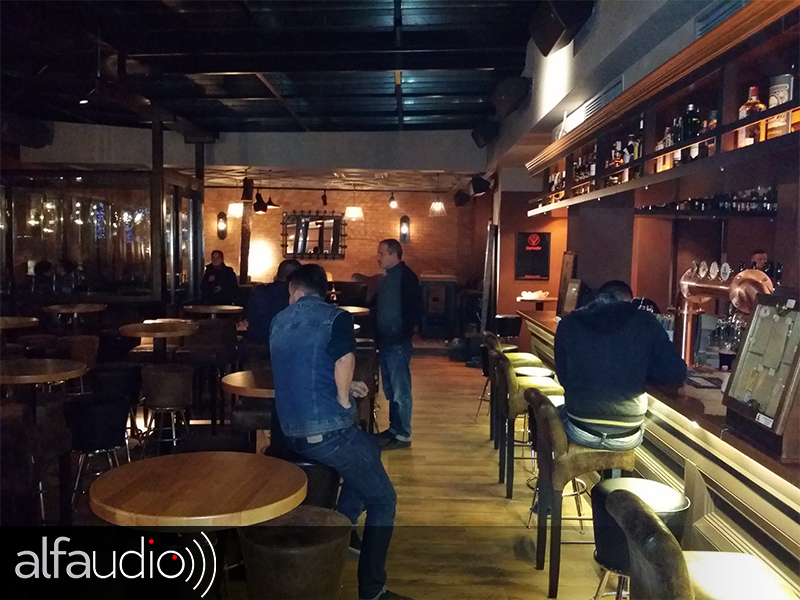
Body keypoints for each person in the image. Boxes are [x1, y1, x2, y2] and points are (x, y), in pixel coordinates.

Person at [269, 264, 412, 600]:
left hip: (287, 431)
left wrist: (347, 386)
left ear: (297, 292)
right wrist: (345, 400)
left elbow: (307, 367)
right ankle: (372, 590)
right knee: (384, 500)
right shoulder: (335, 318)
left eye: (290, 294)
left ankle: (342, 524)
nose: (289, 299)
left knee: (370, 449)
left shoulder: (279, 321)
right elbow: (345, 360)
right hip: (324, 433)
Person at [554, 280, 687, 451]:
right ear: (629, 301)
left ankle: (552, 468)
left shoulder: (569, 322)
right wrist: (640, 367)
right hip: (628, 433)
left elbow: (563, 378)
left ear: (599, 297)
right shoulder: (645, 321)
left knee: (551, 416)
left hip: (580, 428)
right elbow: (676, 372)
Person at [374, 239, 423, 450]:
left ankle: (403, 434)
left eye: (381, 253)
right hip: (387, 340)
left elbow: (414, 308)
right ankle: (394, 429)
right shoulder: (389, 276)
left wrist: (402, 331)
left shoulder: (406, 277)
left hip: (398, 341)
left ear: (394, 254)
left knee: (400, 389)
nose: (378, 257)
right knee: (391, 389)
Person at [246, 259, 301, 345]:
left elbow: (248, 315)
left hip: (255, 344)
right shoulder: (295, 295)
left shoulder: (259, 291)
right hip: (282, 345)